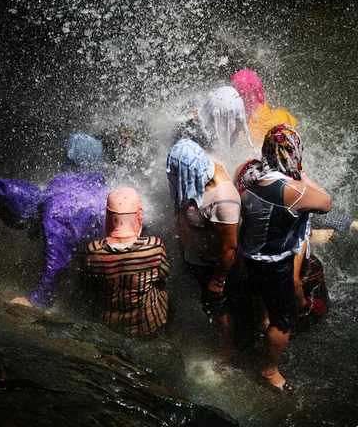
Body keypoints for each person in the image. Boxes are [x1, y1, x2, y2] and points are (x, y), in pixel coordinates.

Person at [236, 124, 332, 394]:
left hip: (249, 255)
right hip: (275, 263)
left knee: (259, 298)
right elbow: (326, 202)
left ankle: (260, 324)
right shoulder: (293, 190)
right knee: (285, 319)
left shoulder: (246, 173)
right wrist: (301, 173)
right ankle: (270, 371)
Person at [231, 69, 358, 235]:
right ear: (259, 90)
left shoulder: (240, 130)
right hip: (293, 173)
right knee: (305, 204)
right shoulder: (281, 115)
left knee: (280, 211)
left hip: (272, 184)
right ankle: (348, 225)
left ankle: (314, 234)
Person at [0, 133, 110, 308]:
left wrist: (37, 299)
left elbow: (56, 260)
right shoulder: (77, 185)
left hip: (112, 257)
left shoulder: (53, 211)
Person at [166, 138, 240, 365]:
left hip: (212, 264)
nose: (173, 177)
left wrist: (218, 280)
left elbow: (229, 248)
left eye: (177, 173)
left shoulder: (223, 199)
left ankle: (227, 350)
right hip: (194, 257)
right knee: (207, 303)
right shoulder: (198, 169)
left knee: (219, 305)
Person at [82, 187, 170, 336]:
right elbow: (163, 280)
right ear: (140, 216)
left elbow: (87, 287)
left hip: (108, 325)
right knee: (168, 298)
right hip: (146, 325)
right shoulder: (154, 247)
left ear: (109, 217)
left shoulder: (93, 251)